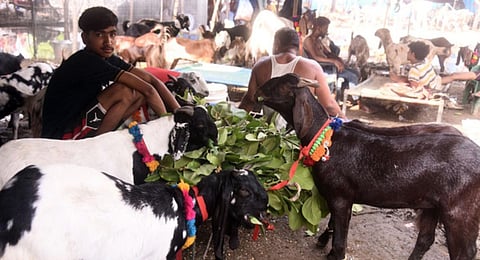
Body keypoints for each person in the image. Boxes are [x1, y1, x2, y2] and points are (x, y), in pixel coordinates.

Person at [42, 6, 180, 139]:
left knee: (137, 93)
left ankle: (104, 137)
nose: (108, 42)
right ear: (85, 38)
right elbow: (148, 89)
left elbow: (151, 80)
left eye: (112, 34)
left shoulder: (107, 58)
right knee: (123, 90)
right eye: (99, 34)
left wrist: (178, 110)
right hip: (61, 135)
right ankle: (96, 144)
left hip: (80, 121)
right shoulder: (85, 61)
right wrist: (169, 124)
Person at [239, 27, 345, 119]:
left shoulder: (261, 65)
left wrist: (232, 122)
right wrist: (346, 121)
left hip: (269, 135)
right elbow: (329, 105)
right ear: (299, 46)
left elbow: (250, 100)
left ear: (277, 44)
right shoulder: (313, 68)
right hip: (301, 137)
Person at [390, 41, 480, 100]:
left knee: (393, 86)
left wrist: (400, 81)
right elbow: (417, 78)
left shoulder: (414, 70)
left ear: (413, 54)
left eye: (408, 52)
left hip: (431, 87)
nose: (407, 53)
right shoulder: (425, 61)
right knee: (454, 75)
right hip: (436, 81)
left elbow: (415, 88)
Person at [302, 16, 359, 91]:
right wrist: (333, 61)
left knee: (355, 72)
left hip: (328, 66)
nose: (326, 31)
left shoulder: (318, 41)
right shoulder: (308, 40)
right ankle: (354, 97)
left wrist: (339, 59)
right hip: (322, 69)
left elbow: (328, 53)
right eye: (325, 29)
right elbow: (315, 57)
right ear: (319, 28)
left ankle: (345, 94)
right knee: (352, 76)